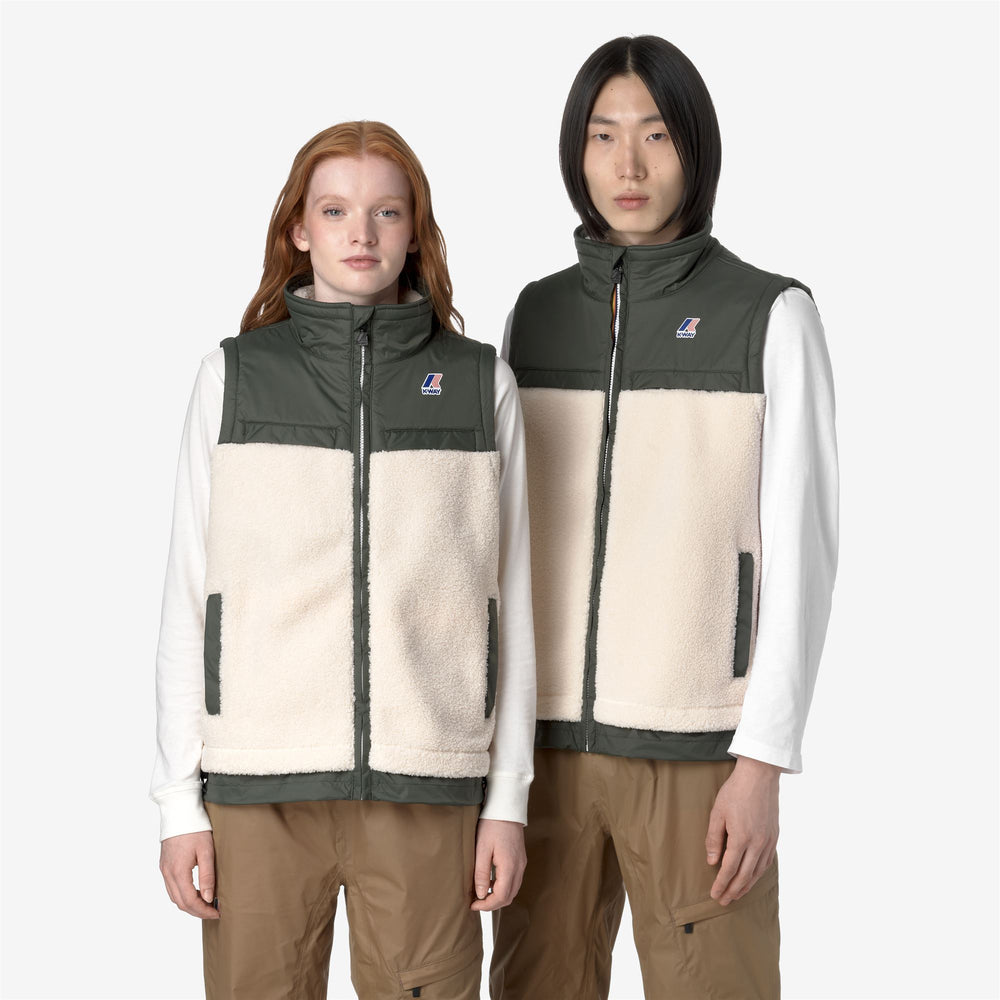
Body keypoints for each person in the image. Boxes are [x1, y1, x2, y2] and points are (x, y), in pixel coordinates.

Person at [149, 120, 536, 999]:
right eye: (335, 211)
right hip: (258, 789)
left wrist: (507, 800)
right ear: (299, 228)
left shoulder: (480, 385)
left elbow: (510, 606)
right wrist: (178, 803)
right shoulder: (233, 378)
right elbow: (187, 598)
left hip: (428, 783)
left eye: (386, 212)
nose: (361, 233)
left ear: (415, 230)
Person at [489, 35, 839, 999]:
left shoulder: (770, 315)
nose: (629, 166)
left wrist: (762, 761)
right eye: (603, 136)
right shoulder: (534, 315)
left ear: (695, 146)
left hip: (699, 755)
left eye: (655, 134)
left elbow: (803, 553)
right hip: (545, 753)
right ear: (577, 152)